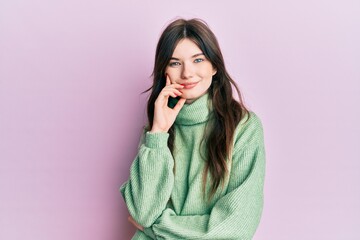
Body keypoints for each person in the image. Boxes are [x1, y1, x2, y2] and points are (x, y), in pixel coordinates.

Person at [120, 18, 266, 240]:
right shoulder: (156, 132)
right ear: (164, 71)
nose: (187, 73)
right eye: (175, 63)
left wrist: (156, 229)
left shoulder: (244, 127)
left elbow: (236, 225)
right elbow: (142, 212)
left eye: (198, 60)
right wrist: (158, 133)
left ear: (214, 65)